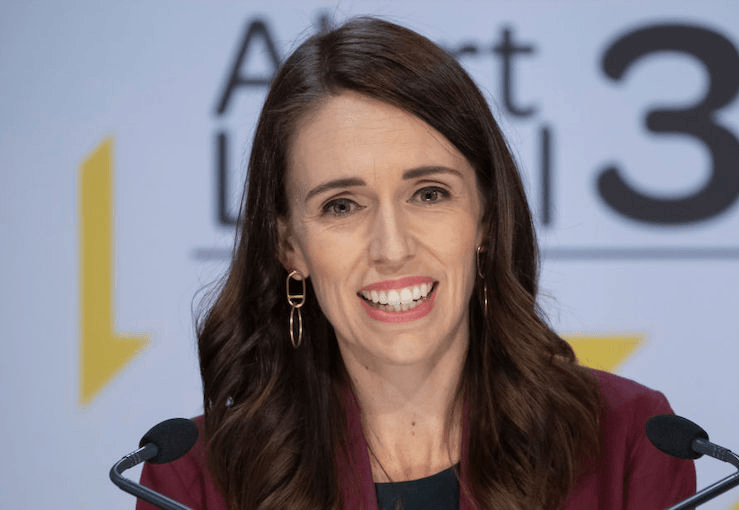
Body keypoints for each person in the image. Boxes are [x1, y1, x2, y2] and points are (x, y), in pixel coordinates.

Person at [139, 16, 695, 510]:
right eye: (342, 205)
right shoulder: (193, 484)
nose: (392, 247)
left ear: (485, 218)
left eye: (429, 194)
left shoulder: (627, 441)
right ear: (290, 246)